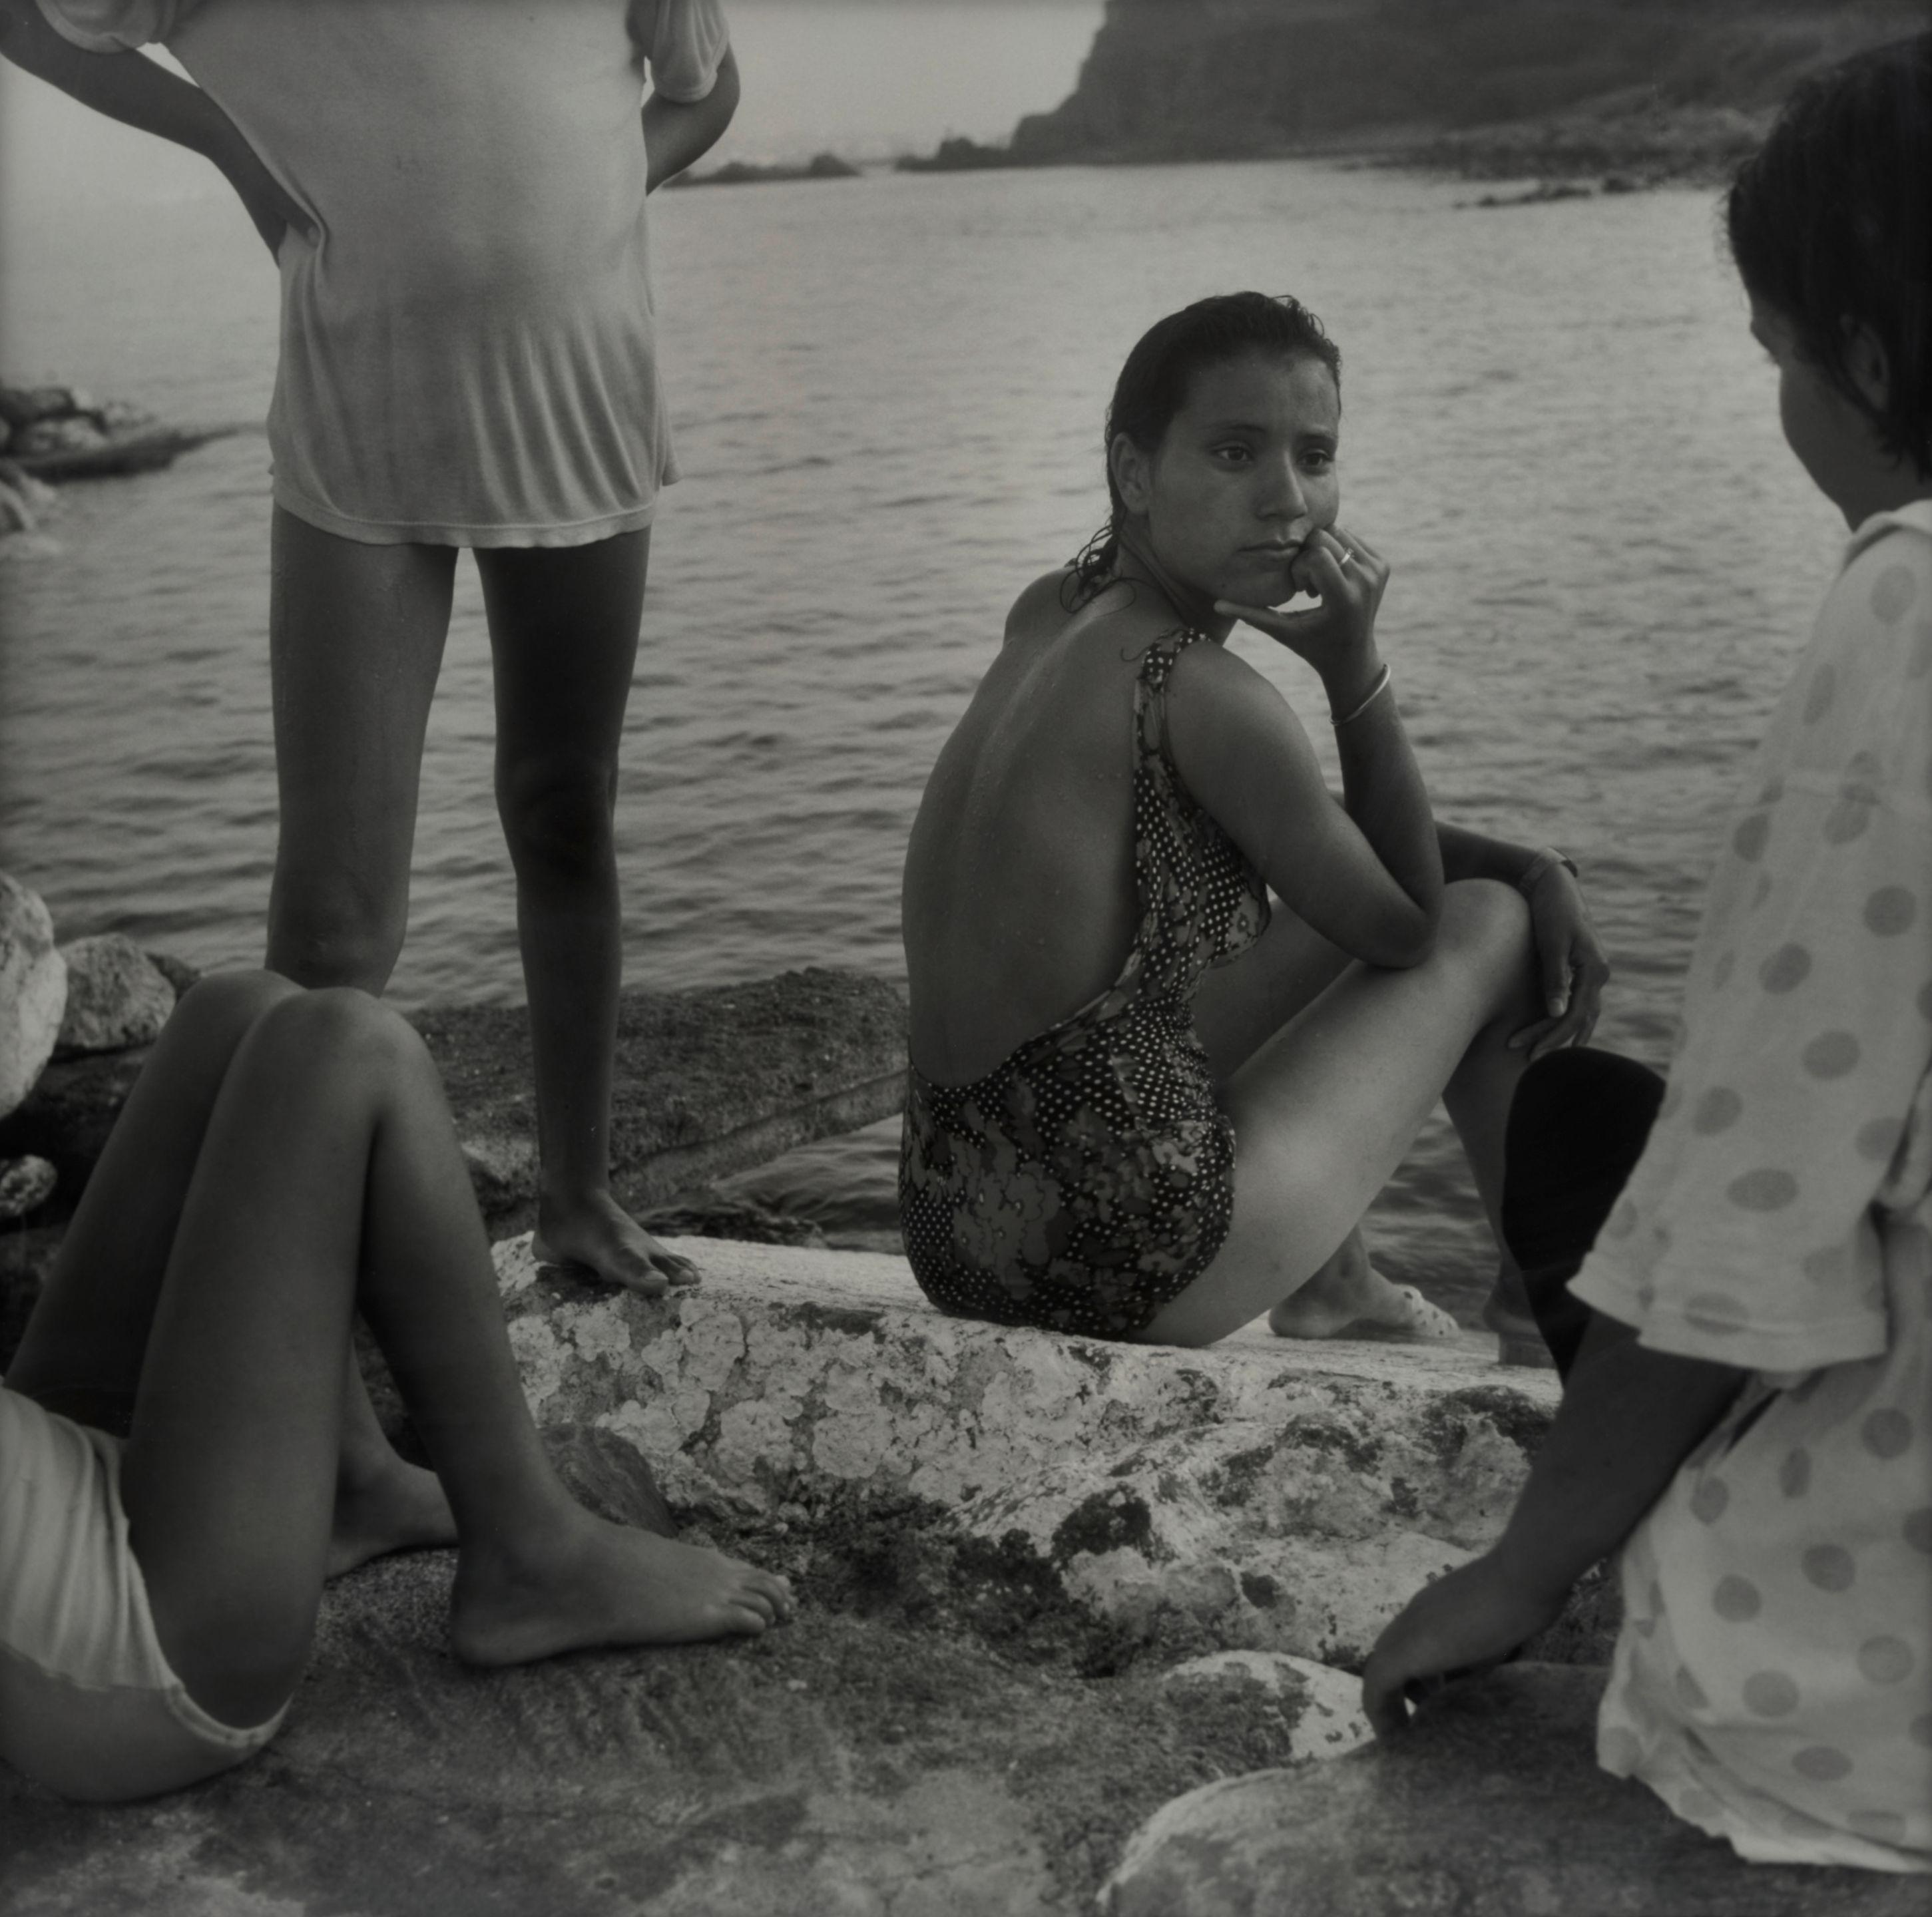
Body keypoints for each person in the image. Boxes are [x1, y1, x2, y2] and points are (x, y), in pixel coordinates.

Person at [1362, 35, 1932, 1872]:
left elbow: (1755, 1202)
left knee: (1607, 1138)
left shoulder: (1904, 607)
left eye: (1771, 357)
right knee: (1600, 1112)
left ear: (1857, 354)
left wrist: (1523, 1571)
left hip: (1876, 1685)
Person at [0, 0, 742, 1295]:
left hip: (579, 401)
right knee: (337, 919)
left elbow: (705, 89)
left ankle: (576, 1193)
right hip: (360, 418)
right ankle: (284, 1295)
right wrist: (231, 142)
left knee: (565, 813)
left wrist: (605, 184)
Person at [898, 290, 1610, 1351]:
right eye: (1235, 454)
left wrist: (1529, 856)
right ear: (1134, 472)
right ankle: (1537, 1319)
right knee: (1494, 926)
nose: (1288, 502)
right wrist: (1354, 672)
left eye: (1313, 456)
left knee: (1280, 925)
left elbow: (1305, 841)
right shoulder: (1202, 690)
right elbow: (1409, 926)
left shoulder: (1053, 607)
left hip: (958, 1234)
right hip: (1125, 1264)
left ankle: (1337, 1289)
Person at [1, 972, 794, 1805]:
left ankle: (350, 1482)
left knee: (239, 1013)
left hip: (40, 1475)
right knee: (347, 1047)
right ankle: (531, 1558)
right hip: (131, 1648)